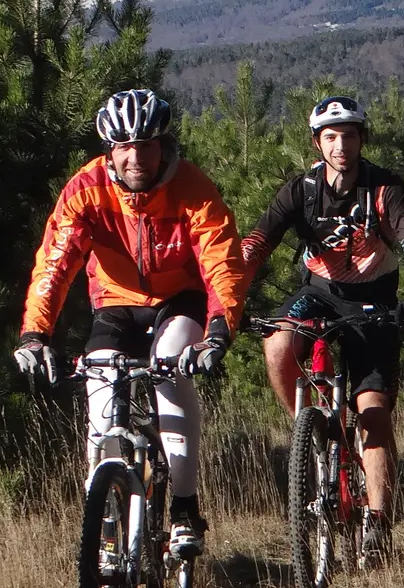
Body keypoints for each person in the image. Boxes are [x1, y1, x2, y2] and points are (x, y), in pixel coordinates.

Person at [15, 88, 249, 560]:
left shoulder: (191, 186)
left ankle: (184, 509)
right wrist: (35, 334)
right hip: (116, 304)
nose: (135, 157)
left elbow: (221, 258)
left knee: (171, 370)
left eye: (145, 145)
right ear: (110, 150)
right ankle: (103, 523)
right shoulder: (86, 188)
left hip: (177, 301)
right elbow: (55, 264)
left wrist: (220, 328)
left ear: (163, 146)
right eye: (124, 146)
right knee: (100, 414)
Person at [240, 95, 404, 567]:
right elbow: (256, 242)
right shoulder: (301, 190)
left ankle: (377, 522)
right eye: (330, 136)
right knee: (278, 341)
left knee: (372, 412)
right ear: (317, 143)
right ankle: (308, 428)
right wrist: (231, 296)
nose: (340, 145)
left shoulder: (384, 188)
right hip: (321, 291)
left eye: (348, 135)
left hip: (375, 299)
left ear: (361, 139)